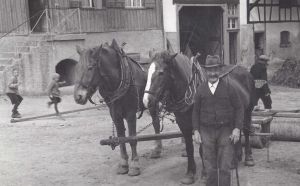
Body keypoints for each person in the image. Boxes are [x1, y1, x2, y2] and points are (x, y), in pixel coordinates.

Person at [192, 55, 244, 186]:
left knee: (225, 166)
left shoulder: (229, 88)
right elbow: (195, 112)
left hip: (225, 131)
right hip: (206, 132)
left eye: (215, 70)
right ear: (206, 72)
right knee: (210, 168)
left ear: (220, 71)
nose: (213, 73)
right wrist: (196, 130)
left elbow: (239, 108)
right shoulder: (200, 90)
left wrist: (237, 128)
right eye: (209, 70)